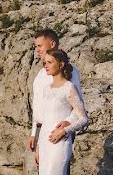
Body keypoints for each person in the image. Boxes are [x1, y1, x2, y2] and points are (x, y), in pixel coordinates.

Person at [28, 29, 84, 165]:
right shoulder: (41, 74)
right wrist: (34, 132)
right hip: (41, 130)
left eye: (40, 46)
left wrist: (68, 123)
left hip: (58, 130)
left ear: (52, 44)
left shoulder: (70, 72)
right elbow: (38, 106)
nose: (37, 50)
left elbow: (77, 103)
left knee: (58, 174)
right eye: (36, 46)